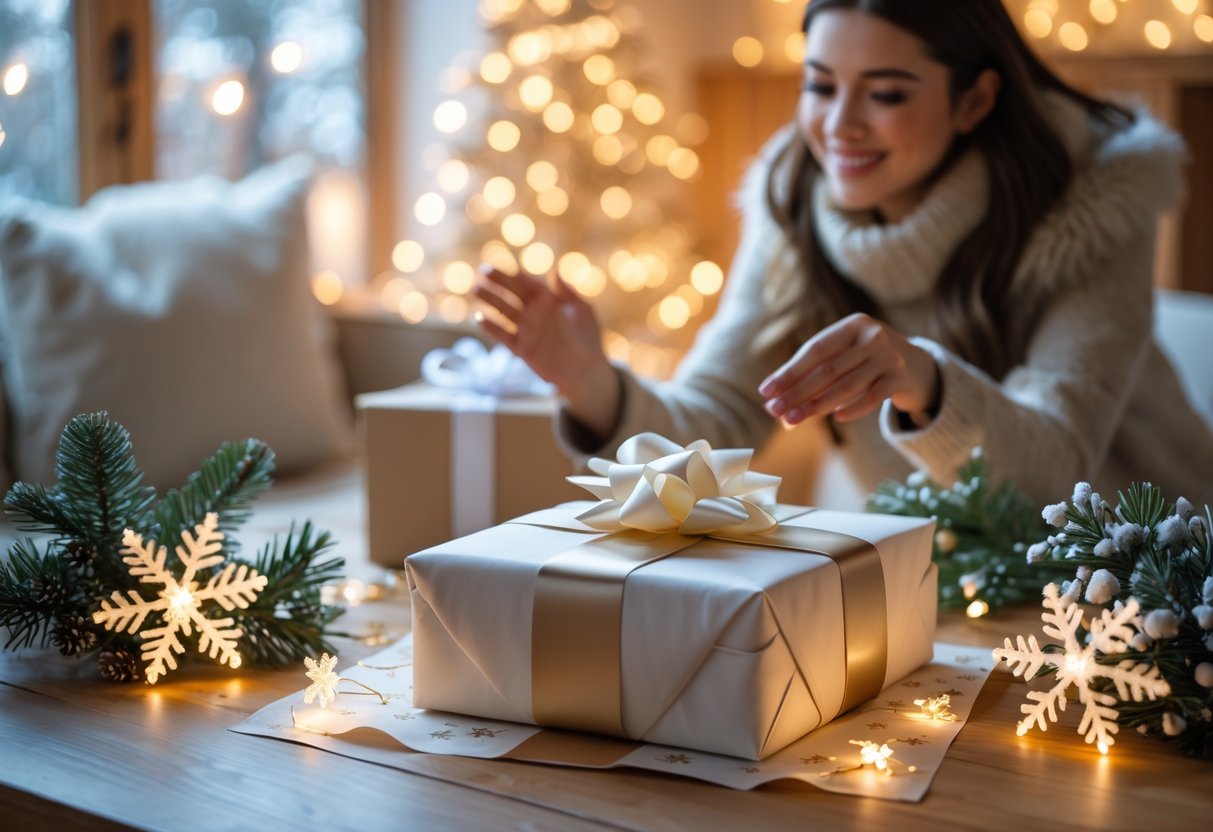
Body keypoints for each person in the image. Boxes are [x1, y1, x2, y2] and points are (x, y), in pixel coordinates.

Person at [472, 0, 1213, 507]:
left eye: (884, 94)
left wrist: (925, 379)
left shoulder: (1091, 199)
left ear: (973, 102)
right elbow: (717, 423)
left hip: (1141, 578)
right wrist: (588, 382)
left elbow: (1056, 472)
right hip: (940, 589)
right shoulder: (793, 200)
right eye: (819, 86)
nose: (838, 127)